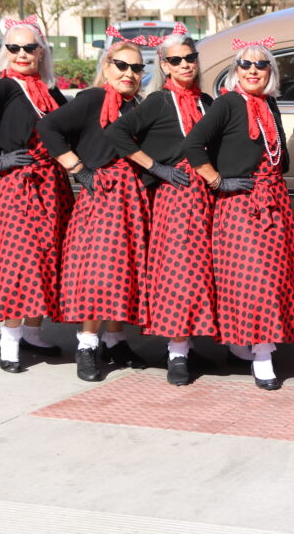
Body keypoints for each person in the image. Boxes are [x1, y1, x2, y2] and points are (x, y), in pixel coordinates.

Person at [183, 38, 294, 390]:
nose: (253, 70)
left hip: (273, 200)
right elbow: (193, 145)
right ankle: (262, 354)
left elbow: (278, 155)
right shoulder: (228, 102)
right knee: (254, 280)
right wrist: (217, 181)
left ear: (270, 71)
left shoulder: (269, 103)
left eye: (261, 64)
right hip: (240, 204)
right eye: (246, 64)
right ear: (236, 70)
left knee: (276, 277)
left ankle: (246, 342)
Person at [0, 16, 71, 373]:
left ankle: (33, 332)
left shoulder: (48, 90)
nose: (22, 54)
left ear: (41, 52)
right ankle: (9, 339)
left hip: (52, 186)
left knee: (47, 259)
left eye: (29, 47)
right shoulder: (4, 87)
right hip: (17, 187)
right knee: (19, 263)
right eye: (14, 47)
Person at [106, 25, 217, 386]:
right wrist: (156, 168)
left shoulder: (207, 102)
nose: (185, 64)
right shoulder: (158, 101)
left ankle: (192, 341)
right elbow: (117, 133)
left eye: (190, 58)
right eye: (176, 60)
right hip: (177, 197)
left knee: (204, 273)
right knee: (180, 274)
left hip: (209, 196)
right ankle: (177, 352)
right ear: (165, 66)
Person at [37, 31, 150, 381]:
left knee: (126, 271)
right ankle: (87, 345)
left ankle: (115, 341)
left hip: (132, 197)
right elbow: (48, 127)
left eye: (136, 68)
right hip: (102, 195)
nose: (128, 73)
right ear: (106, 66)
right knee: (99, 273)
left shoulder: (138, 105)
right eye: (121, 65)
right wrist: (77, 168)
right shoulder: (94, 98)